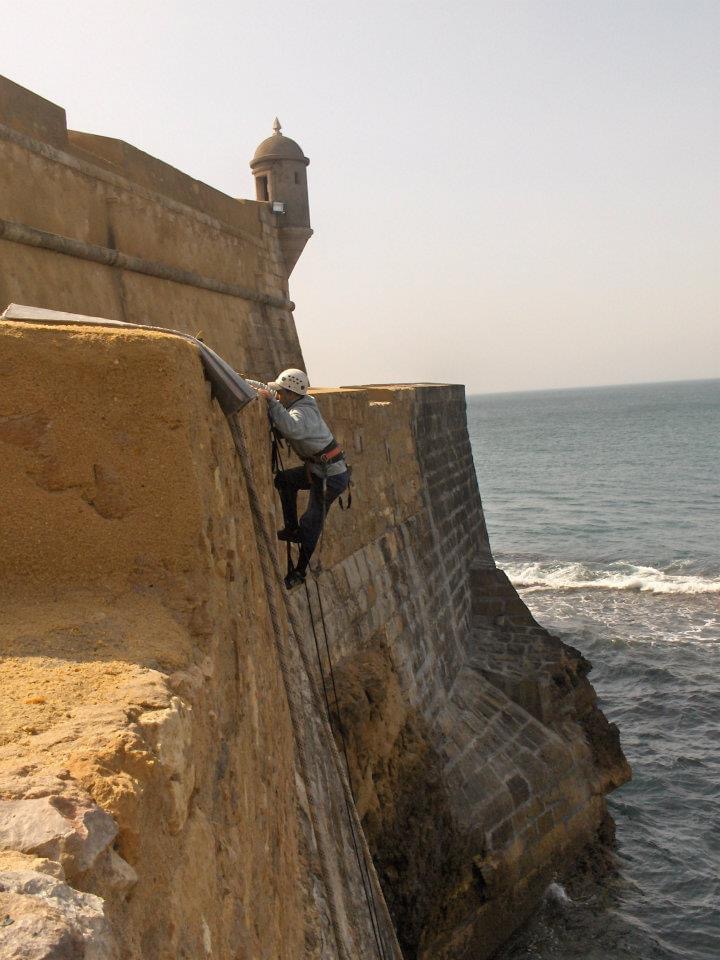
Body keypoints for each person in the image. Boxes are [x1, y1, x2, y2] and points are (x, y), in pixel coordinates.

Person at [247, 368, 349, 589]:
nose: (279, 397)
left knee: (311, 523)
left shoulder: (303, 413)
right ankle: (291, 528)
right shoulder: (300, 404)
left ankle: (299, 572)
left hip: (330, 477)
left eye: (281, 393)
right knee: (284, 480)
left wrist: (273, 405)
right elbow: (266, 390)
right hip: (319, 469)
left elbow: (292, 428)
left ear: (291, 393)